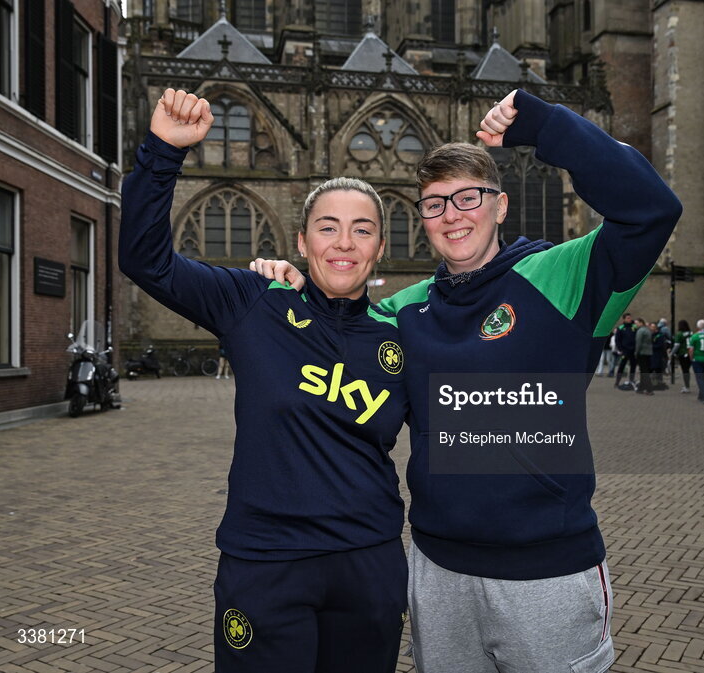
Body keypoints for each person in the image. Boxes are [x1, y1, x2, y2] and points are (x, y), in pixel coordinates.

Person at [254, 88, 682, 672]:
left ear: (500, 206)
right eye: (434, 205)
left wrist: (544, 124)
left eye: (468, 197)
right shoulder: (402, 309)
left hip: (548, 573)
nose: (452, 215)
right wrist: (290, 282)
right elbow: (334, 325)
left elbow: (652, 208)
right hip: (439, 573)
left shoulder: (561, 274)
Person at [119, 89, 409, 673]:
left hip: (369, 561)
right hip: (266, 562)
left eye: (362, 231)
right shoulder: (251, 301)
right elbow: (145, 260)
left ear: (380, 248)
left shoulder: (406, 333)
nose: (344, 244)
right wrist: (162, 154)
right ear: (301, 242)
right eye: (328, 228)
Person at [613, 313, 638, 390]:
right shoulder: (620, 328)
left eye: (630, 318)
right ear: (624, 319)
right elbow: (617, 340)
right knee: (621, 366)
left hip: (633, 350)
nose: (629, 319)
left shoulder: (634, 327)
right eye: (627, 318)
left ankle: (631, 380)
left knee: (633, 366)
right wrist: (620, 349)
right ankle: (617, 382)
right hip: (625, 350)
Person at [633, 318, 654, 395]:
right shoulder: (648, 330)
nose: (636, 325)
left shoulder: (640, 331)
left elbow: (638, 343)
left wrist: (636, 352)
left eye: (637, 323)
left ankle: (649, 389)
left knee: (644, 371)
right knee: (644, 371)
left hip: (642, 353)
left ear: (641, 323)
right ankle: (641, 388)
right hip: (648, 353)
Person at [671, 319, 693, 393]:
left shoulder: (679, 334)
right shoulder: (691, 333)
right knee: (687, 370)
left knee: (685, 371)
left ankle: (687, 386)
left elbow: (677, 345)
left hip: (683, 353)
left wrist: (671, 353)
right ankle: (687, 385)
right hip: (691, 353)